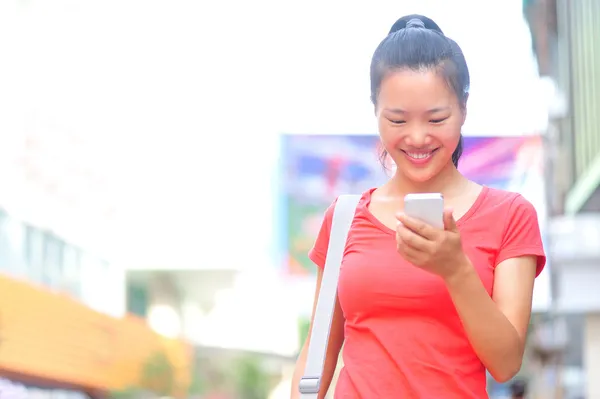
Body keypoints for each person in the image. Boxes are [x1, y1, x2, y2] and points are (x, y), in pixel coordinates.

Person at [291, 14, 546, 399]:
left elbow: (506, 362)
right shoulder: (342, 219)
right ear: (375, 110)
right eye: (397, 119)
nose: (417, 137)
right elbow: (318, 352)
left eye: (436, 118)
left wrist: (455, 269)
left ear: (463, 108)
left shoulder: (510, 215)